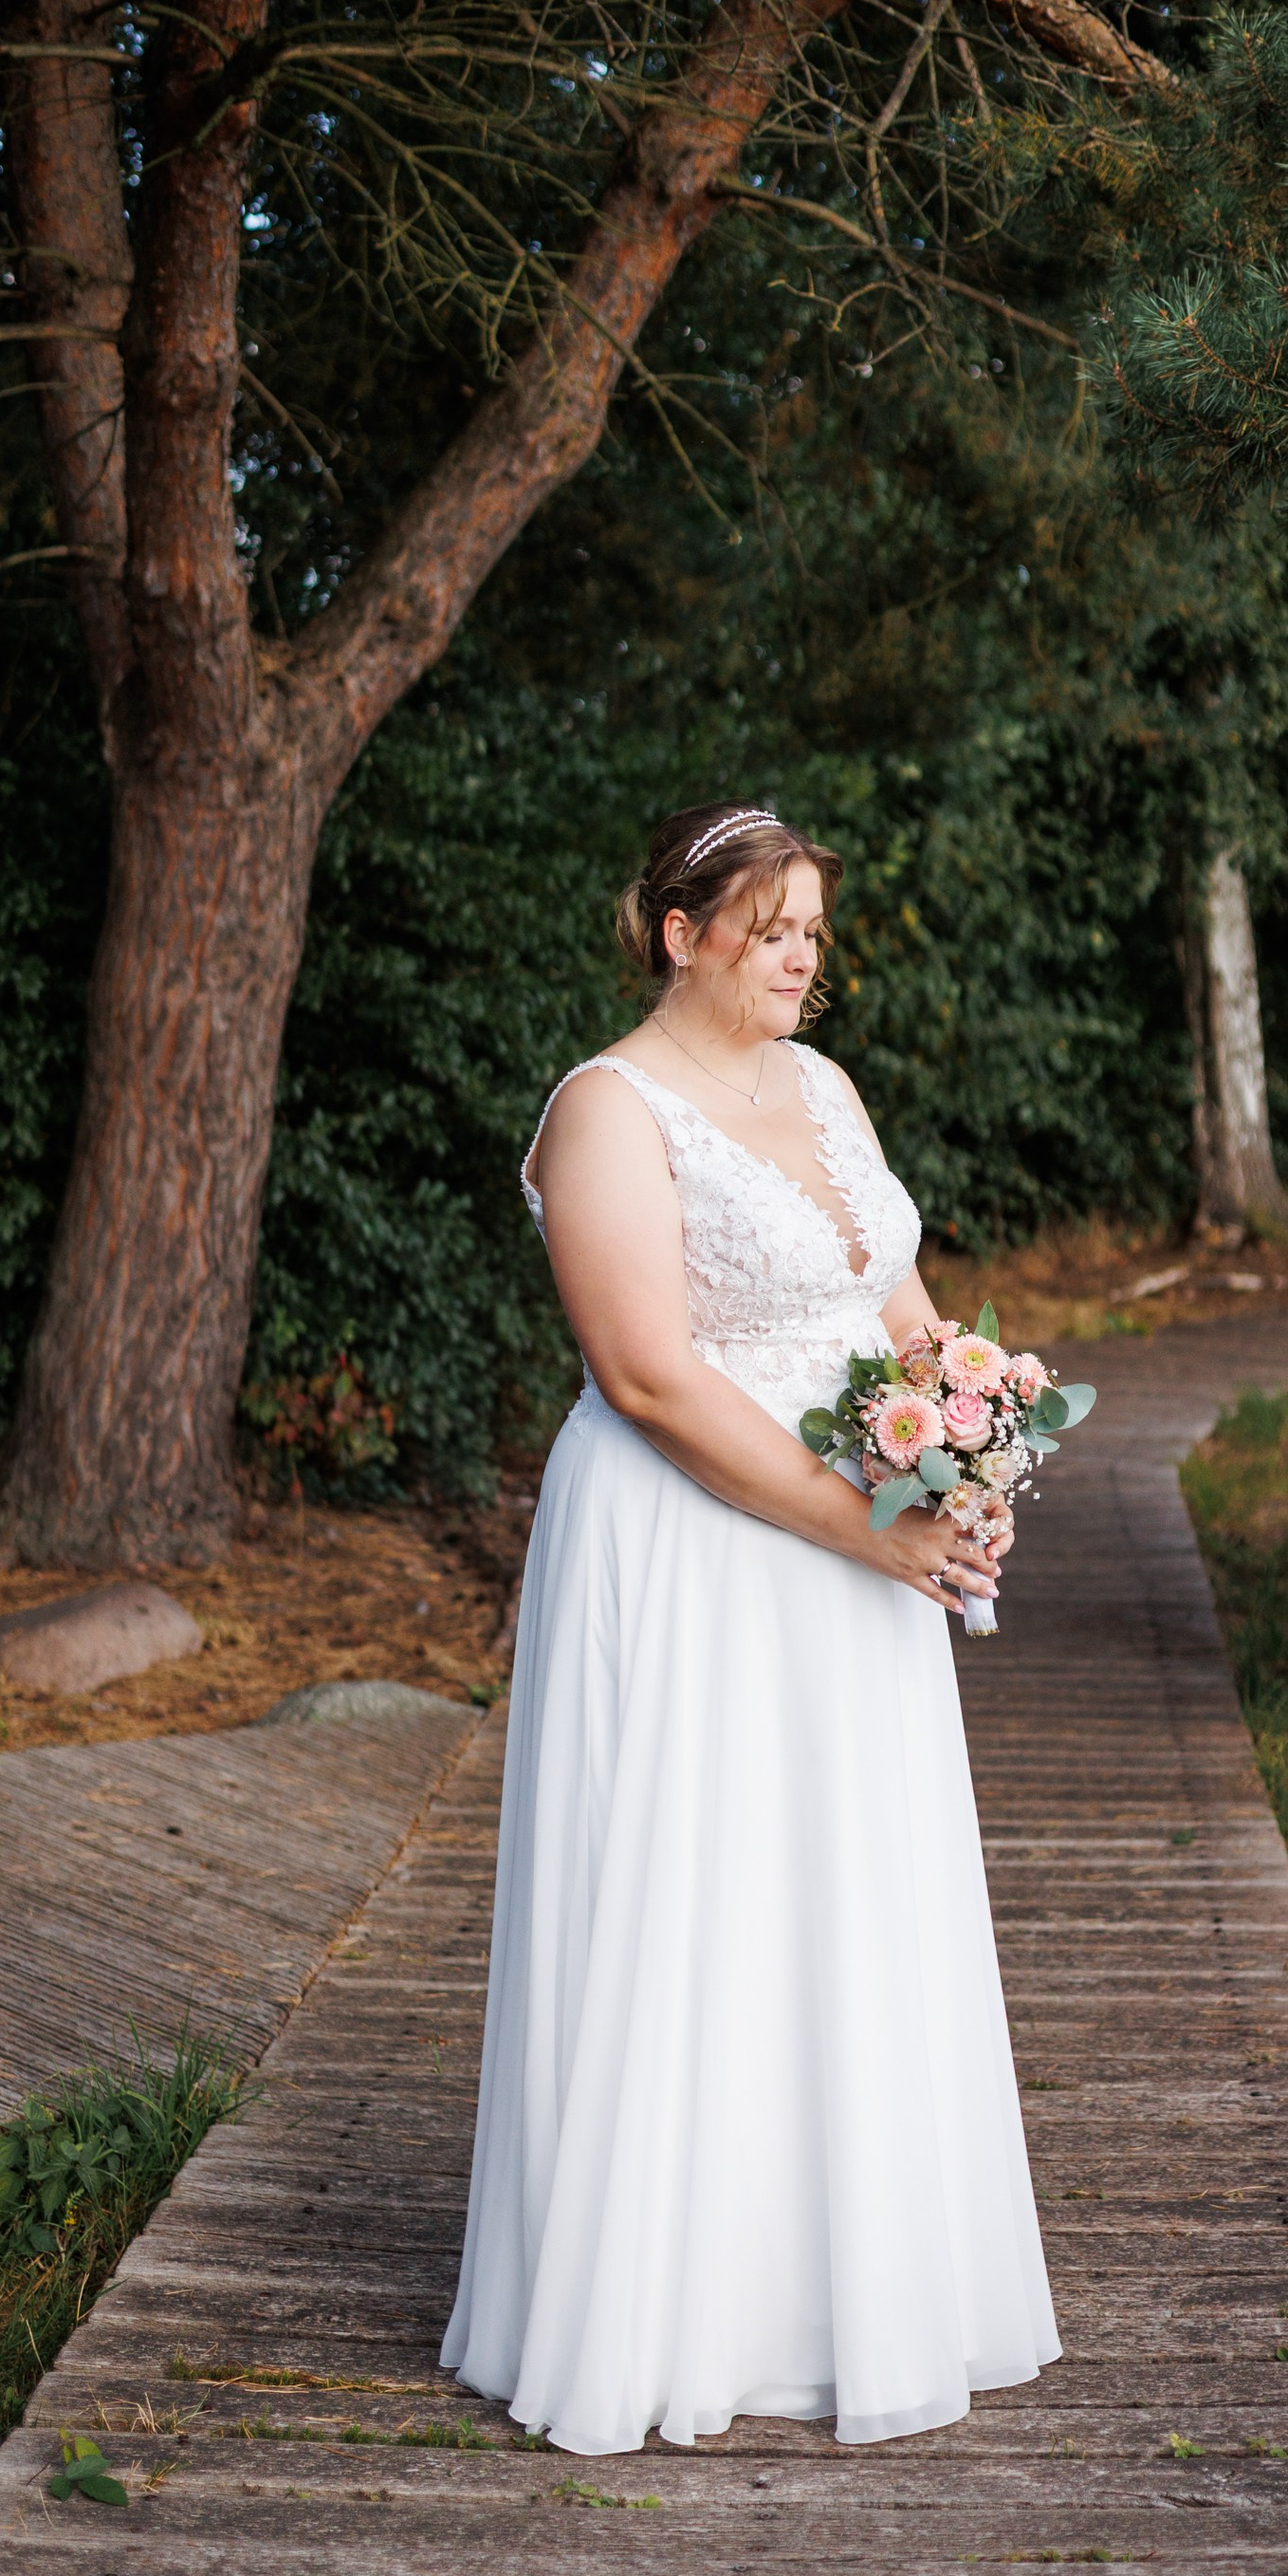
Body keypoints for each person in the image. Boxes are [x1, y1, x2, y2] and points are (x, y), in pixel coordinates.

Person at [440, 800, 1060, 2455]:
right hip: (700, 1540)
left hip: (862, 1537)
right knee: (697, 1888)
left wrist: (970, 1436)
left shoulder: (825, 1089)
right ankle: (673, 2305)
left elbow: (895, 1304)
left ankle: (848, 2277)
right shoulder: (608, 1111)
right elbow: (648, 1378)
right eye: (772, 927)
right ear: (682, 932)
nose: (803, 955)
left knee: (843, 1887)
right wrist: (874, 1523)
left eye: (812, 932)